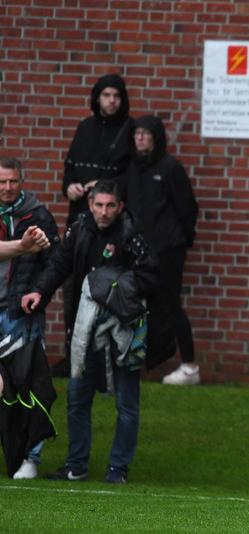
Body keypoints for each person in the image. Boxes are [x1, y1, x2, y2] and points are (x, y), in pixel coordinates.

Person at [23, 180, 160, 484]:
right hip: (85, 332)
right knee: (76, 398)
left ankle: (118, 469)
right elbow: (60, 263)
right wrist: (39, 292)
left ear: (120, 207)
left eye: (111, 205)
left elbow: (151, 276)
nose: (104, 211)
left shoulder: (133, 234)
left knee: (126, 403)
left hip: (123, 333)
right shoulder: (80, 227)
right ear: (90, 204)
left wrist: (110, 281)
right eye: (99, 205)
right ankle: (76, 466)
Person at [54, 74, 135, 377]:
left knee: (105, 290)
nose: (111, 101)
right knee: (71, 286)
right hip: (79, 220)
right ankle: (71, 355)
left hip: (110, 227)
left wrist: (102, 187)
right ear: (97, 98)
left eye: (116, 95)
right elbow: (68, 172)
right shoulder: (85, 128)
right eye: (105, 95)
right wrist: (71, 188)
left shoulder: (129, 130)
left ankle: (104, 361)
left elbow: (132, 180)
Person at [121, 115, 200, 385]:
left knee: (170, 304)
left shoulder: (169, 168)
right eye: (136, 133)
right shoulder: (131, 169)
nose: (140, 137)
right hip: (138, 251)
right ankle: (138, 364)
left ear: (156, 137)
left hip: (168, 250)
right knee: (136, 305)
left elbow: (187, 208)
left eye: (145, 133)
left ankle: (189, 367)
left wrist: (180, 240)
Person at [0, 157, 58, 479]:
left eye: (13, 181)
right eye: (2, 182)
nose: (8, 188)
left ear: (22, 181)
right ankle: (13, 452)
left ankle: (30, 458)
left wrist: (38, 292)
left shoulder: (38, 216)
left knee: (28, 384)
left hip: (21, 314)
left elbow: (55, 263)